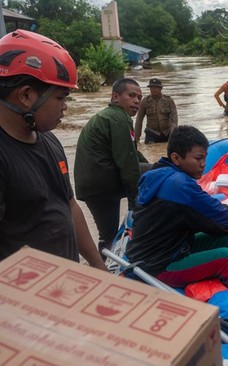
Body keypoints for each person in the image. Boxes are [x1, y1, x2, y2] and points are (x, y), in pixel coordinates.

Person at [0, 30, 105, 269]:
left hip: (62, 283)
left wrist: (99, 267)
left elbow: (69, 205)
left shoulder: (49, 140)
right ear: (26, 95)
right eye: (61, 98)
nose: (65, 107)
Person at [125, 125, 228, 289]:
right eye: (198, 159)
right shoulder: (179, 185)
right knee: (227, 258)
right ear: (176, 158)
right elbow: (222, 218)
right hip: (159, 266)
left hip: (170, 249)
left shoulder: (158, 173)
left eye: (205, 158)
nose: (203, 164)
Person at [74, 78, 147, 256]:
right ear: (115, 97)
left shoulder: (108, 116)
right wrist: (135, 206)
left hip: (92, 184)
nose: (137, 101)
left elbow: (131, 153)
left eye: (139, 97)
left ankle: (106, 259)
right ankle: (109, 265)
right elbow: (128, 165)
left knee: (107, 233)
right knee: (109, 235)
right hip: (102, 185)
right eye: (131, 95)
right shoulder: (119, 118)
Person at [134, 78, 178, 146]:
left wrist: (173, 135)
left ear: (161, 88)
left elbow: (174, 119)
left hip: (167, 133)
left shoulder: (168, 100)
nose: (153, 89)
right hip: (152, 134)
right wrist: (136, 140)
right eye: (151, 87)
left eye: (156, 87)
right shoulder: (145, 101)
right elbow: (139, 120)